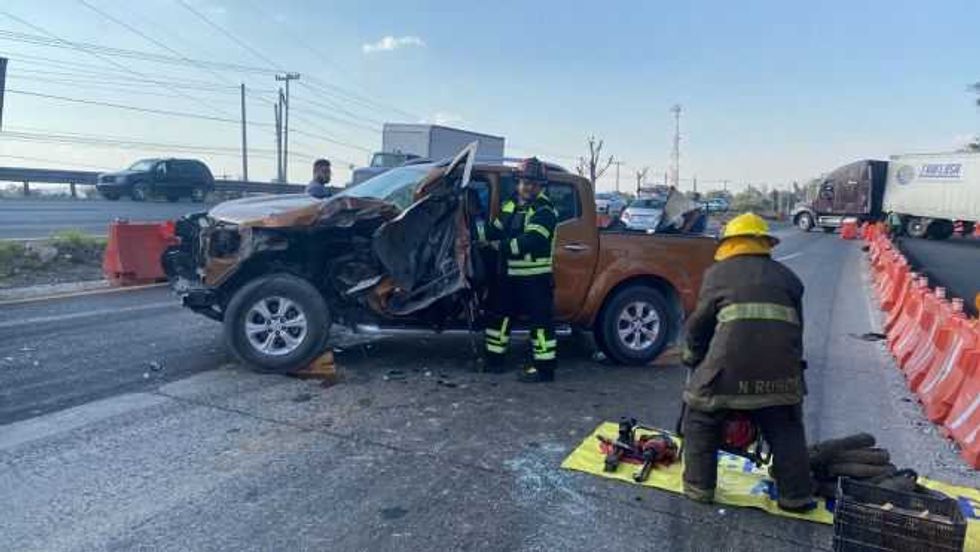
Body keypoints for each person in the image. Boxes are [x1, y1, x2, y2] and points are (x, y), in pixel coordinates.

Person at [680, 212, 816, 512]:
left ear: (729, 244)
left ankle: (699, 487)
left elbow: (697, 327)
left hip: (727, 375)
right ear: (764, 243)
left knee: (700, 417)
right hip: (782, 377)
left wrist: (691, 357)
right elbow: (797, 333)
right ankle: (795, 495)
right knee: (786, 426)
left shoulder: (717, 276)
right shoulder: (789, 279)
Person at [481, 157, 559, 383]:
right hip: (509, 277)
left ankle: (545, 370)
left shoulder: (545, 211)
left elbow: (532, 240)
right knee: (498, 318)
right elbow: (494, 229)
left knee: (540, 325)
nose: (528, 187)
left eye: (534, 183)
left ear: (541, 186)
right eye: (525, 182)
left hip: (535, 279)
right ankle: (494, 362)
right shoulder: (510, 205)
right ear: (518, 183)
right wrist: (475, 235)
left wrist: (500, 247)